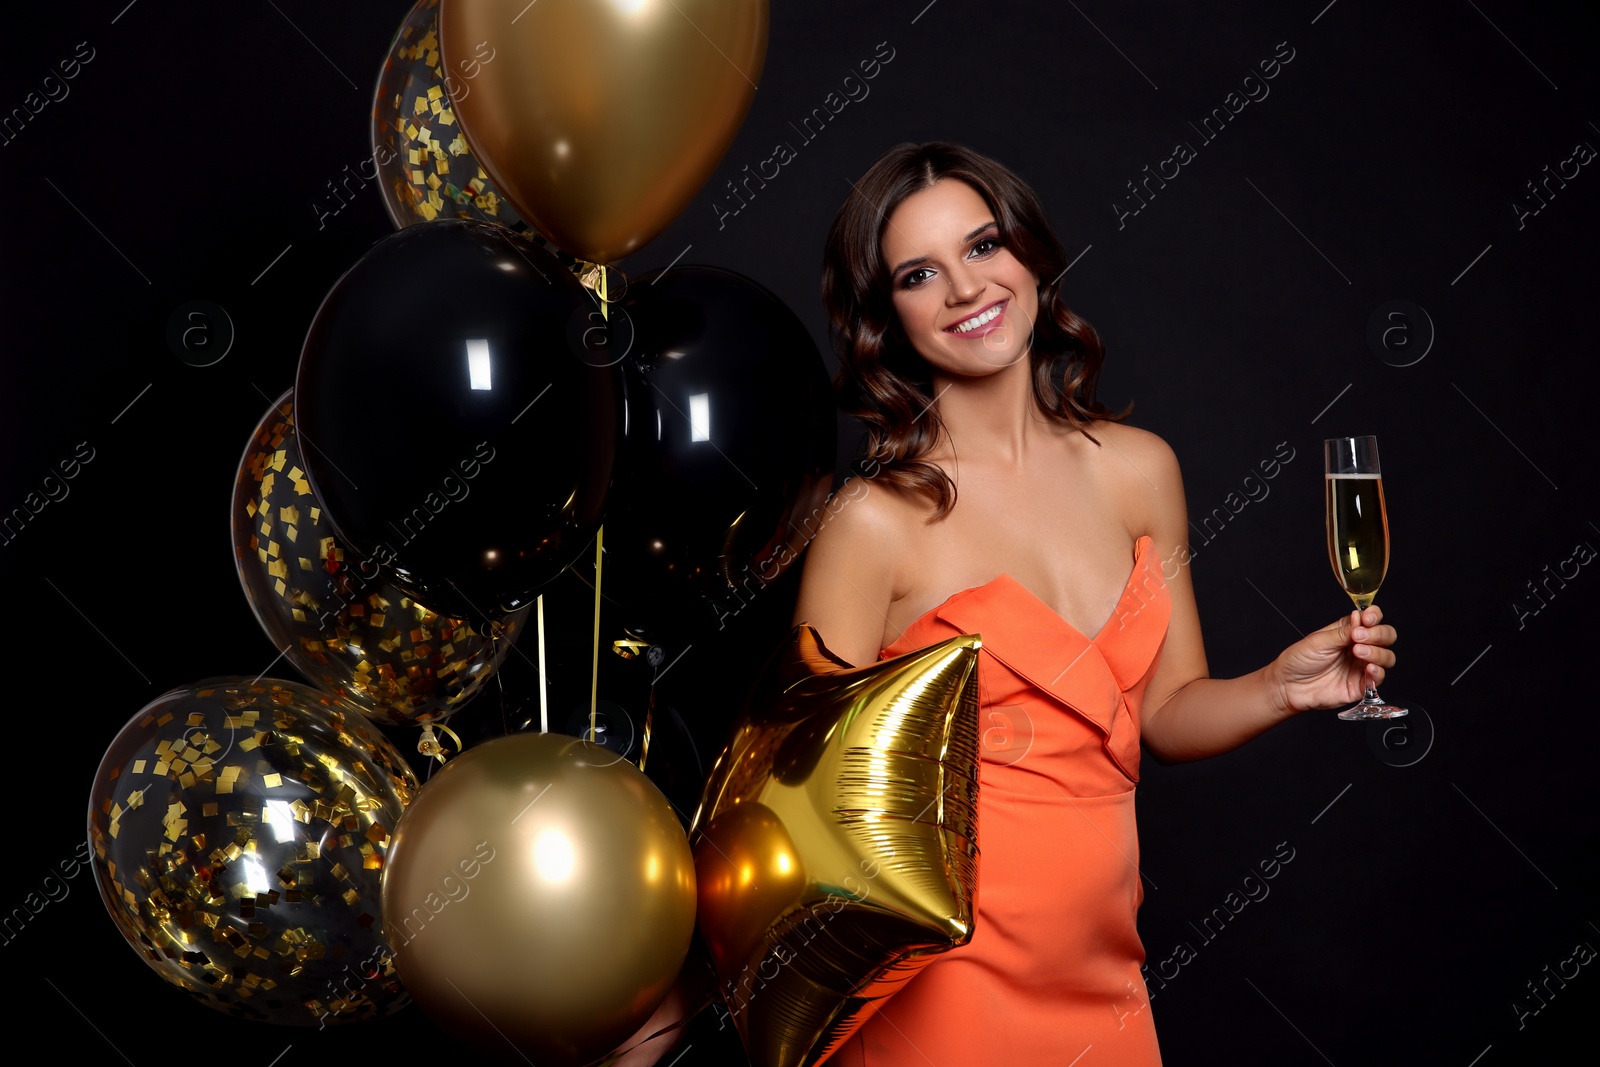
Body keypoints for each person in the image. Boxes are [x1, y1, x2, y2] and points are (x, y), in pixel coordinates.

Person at [791, 141, 1398, 1065]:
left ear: (1030, 255)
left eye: (984, 245)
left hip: (1105, 983)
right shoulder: (873, 523)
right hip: (942, 990)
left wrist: (1283, 686)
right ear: (886, 315)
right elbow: (797, 809)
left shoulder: (1141, 469)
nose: (965, 288)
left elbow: (1164, 712)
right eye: (921, 273)